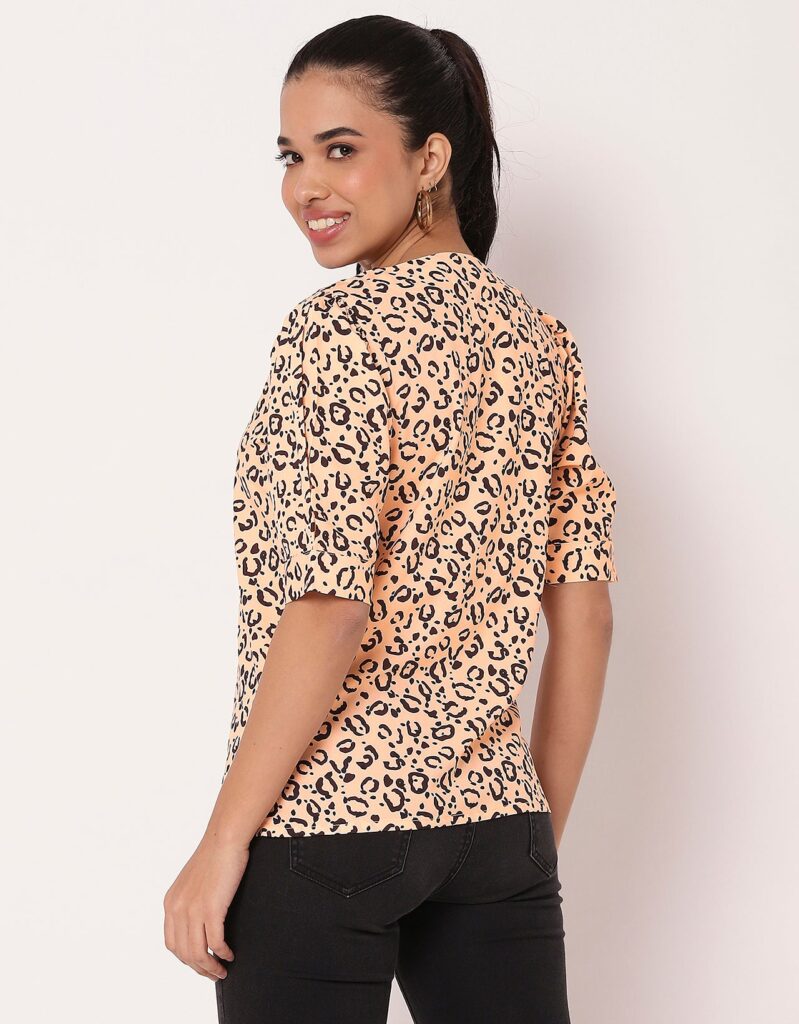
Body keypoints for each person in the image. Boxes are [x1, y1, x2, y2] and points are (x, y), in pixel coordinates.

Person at [163, 15, 618, 1024]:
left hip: (326, 823)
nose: (305, 187)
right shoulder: (541, 344)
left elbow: (329, 609)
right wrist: (528, 835)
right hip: (493, 828)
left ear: (430, 160)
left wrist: (223, 841)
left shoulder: (337, 332)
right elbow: (585, 614)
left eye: (339, 149)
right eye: (290, 155)